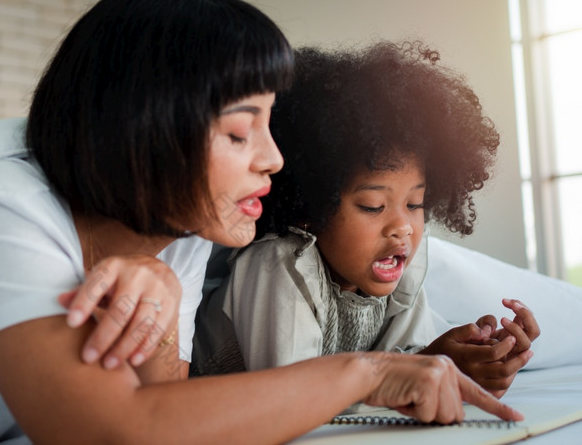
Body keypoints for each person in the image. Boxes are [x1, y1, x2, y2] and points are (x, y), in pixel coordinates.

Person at [0, 0, 521, 443]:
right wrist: (366, 373)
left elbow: (169, 410)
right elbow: (111, 433)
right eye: (241, 133)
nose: (274, 159)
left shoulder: (180, 235)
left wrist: (159, 300)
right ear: (147, 129)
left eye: (270, 128)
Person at [191, 42, 540, 401]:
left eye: (415, 203)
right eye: (373, 206)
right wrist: (427, 368)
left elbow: (404, 364)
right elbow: (295, 400)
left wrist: (464, 361)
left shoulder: (401, 270)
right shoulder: (279, 266)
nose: (403, 227)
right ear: (310, 209)